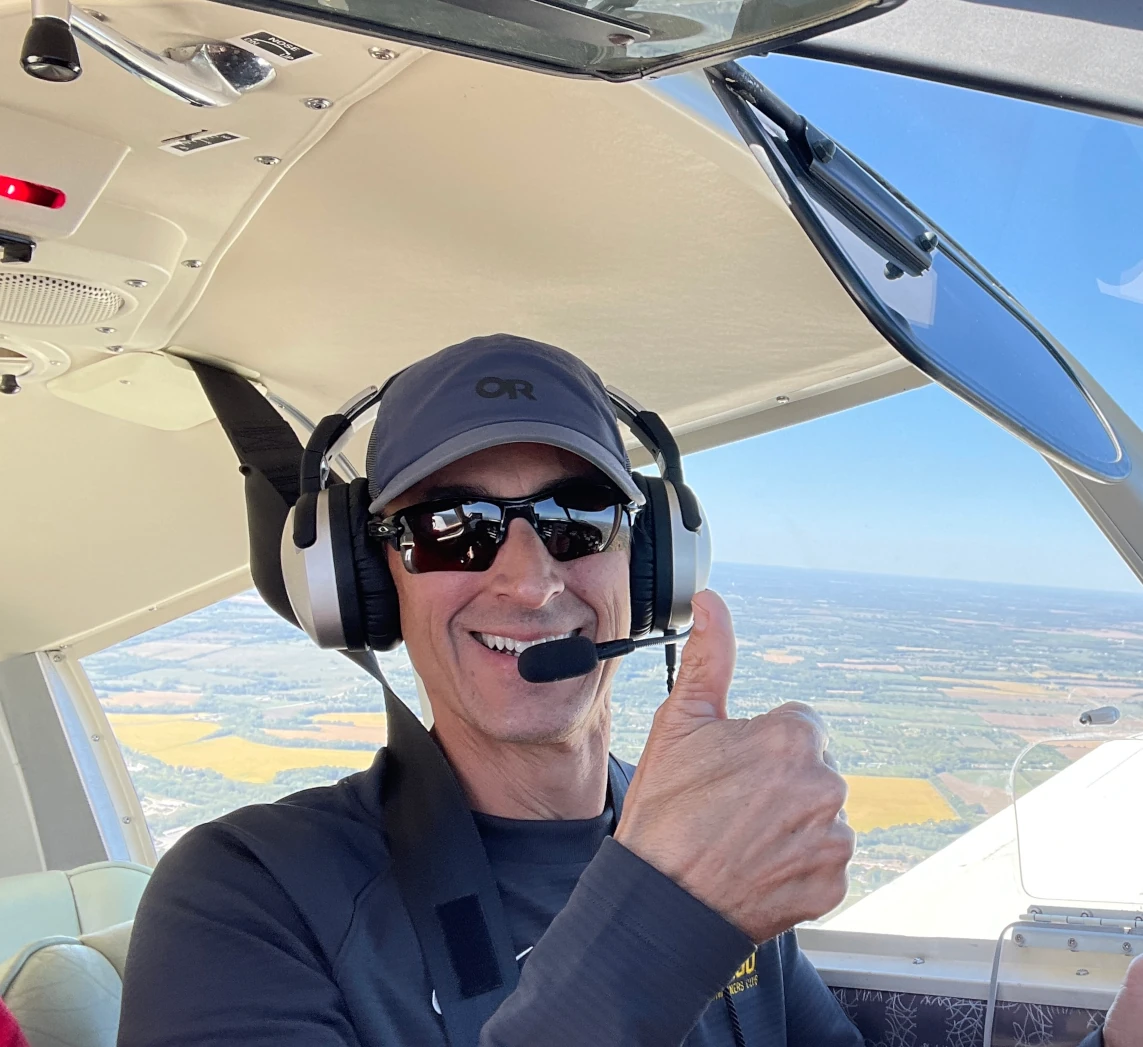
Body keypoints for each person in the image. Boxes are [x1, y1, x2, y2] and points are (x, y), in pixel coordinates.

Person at [118, 335, 1136, 1047]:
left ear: (650, 565)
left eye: (578, 518)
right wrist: (665, 917)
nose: (528, 580)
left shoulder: (704, 845)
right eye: (450, 529)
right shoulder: (248, 896)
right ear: (369, 580)